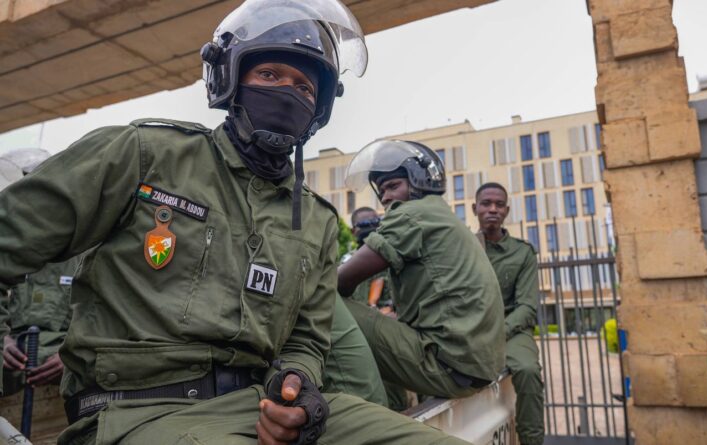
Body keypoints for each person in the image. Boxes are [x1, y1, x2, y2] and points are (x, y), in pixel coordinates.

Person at [0, 1, 469, 443]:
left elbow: (306, 338)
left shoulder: (316, 221)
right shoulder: (143, 155)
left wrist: (296, 383)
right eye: (269, 74)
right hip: (136, 410)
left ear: (319, 108)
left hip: (255, 406)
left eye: (304, 87)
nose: (288, 92)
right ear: (229, 78)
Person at [338, 139, 506, 408]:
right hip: (473, 368)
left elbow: (340, 281)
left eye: (393, 186)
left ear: (419, 183)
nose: (385, 197)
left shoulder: (411, 215)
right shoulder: (439, 214)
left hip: (448, 367)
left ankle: (362, 417)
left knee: (324, 302)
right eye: (382, 191)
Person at [472, 182, 545, 445]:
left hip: (512, 330)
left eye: (499, 204)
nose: (493, 209)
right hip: (471, 329)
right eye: (486, 204)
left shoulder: (522, 252)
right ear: (475, 209)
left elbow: (527, 306)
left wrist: (498, 332)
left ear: (507, 210)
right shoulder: (464, 247)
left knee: (527, 369)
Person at [2, 256, 82, 395]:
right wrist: (2, 339)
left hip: (65, 348)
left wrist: (74, 355)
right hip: (14, 348)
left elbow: (102, 320)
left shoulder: (86, 257)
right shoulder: (10, 253)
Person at [346, 207, 393, 311]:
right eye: (364, 224)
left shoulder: (391, 257)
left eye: (375, 222)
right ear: (353, 231)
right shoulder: (347, 262)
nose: (371, 227)